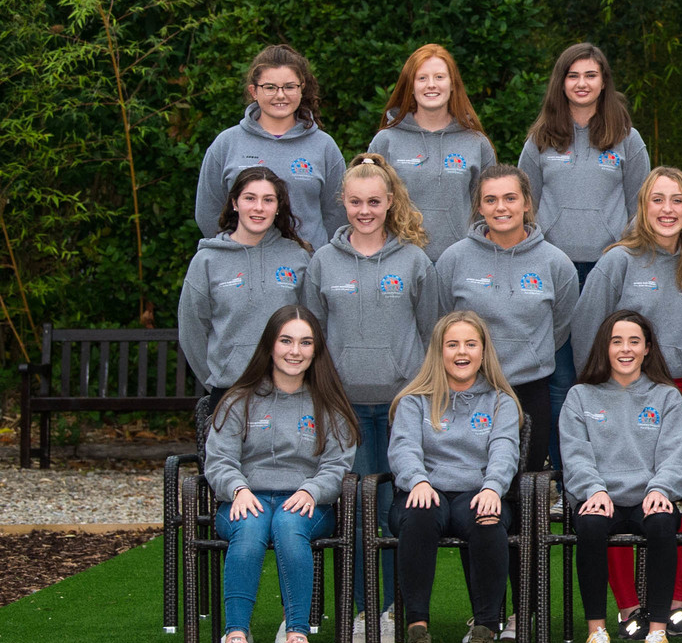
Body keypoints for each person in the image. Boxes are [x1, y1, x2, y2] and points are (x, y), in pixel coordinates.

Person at [572, 167, 682, 639]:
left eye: (678, 200)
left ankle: (673, 599)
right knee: (614, 486)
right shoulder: (619, 261)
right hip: (612, 392)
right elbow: (586, 331)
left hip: (672, 391)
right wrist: (595, 393)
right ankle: (629, 606)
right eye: (658, 199)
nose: (668, 209)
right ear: (643, 206)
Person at [302, 154, 441, 643]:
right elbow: (311, 339)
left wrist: (420, 395)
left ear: (389, 203)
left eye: (374, 202)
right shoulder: (322, 262)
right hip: (345, 409)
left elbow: (433, 335)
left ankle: (394, 609)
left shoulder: (413, 261)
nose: (364, 210)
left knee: (392, 510)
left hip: (402, 406)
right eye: (356, 201)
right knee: (357, 511)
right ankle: (364, 610)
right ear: (342, 202)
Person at [204, 306, 358, 643]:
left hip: (306, 501)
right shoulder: (238, 399)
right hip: (245, 499)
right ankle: (236, 640)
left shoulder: (329, 404)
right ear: (270, 347)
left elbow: (338, 465)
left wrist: (313, 489)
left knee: (289, 525)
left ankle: (298, 640)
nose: (295, 350)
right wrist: (237, 489)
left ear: (316, 350)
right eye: (286, 340)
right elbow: (218, 461)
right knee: (253, 527)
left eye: (305, 342)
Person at [518, 43, 648, 476]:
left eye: (591, 75)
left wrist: (621, 250)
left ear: (603, 82)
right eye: (573, 76)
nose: (582, 83)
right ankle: (562, 475)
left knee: (604, 370)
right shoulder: (540, 139)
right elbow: (525, 207)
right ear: (561, 83)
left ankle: (611, 469)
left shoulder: (627, 138)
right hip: (552, 272)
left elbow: (641, 207)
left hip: (607, 269)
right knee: (558, 377)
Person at [386, 311, 523, 643]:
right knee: (418, 516)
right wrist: (418, 480)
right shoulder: (414, 399)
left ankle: (484, 630)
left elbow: (505, 449)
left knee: (488, 519)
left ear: (482, 351)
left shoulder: (500, 401)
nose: (461, 352)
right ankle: (417, 631)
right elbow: (403, 448)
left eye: (470, 344)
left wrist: (494, 487)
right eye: (452, 344)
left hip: (478, 492)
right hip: (424, 490)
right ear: (439, 351)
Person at [558, 311, 682, 643]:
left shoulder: (666, 397)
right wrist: (593, 490)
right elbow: (574, 454)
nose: (625, 349)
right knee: (588, 525)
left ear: (647, 349)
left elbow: (676, 454)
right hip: (599, 496)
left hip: (649, 495)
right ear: (604, 347)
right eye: (616, 341)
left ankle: (657, 634)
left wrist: (662, 488)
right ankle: (597, 633)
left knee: (664, 522)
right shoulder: (580, 396)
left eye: (634, 341)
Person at [434, 165, 579, 485]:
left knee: (522, 488)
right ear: (479, 207)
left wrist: (527, 351)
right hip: (468, 391)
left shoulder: (556, 264)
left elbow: (560, 325)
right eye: (491, 199)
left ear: (527, 203)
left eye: (510, 198)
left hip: (529, 392)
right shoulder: (453, 260)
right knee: (469, 486)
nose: (501, 207)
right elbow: (442, 320)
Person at [195, 44, 346, 249]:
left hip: (307, 272)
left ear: (302, 89)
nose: (280, 95)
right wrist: (231, 253)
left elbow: (337, 214)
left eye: (289, 87)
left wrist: (316, 256)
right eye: (270, 87)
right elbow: (208, 211)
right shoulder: (226, 144)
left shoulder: (324, 146)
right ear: (254, 91)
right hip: (242, 268)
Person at [179, 168, 312, 401]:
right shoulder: (207, 260)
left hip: (289, 391)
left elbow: (314, 323)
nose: (258, 207)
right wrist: (215, 378)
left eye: (268, 200)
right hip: (229, 391)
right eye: (250, 198)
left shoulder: (298, 257)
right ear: (235, 203)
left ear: (278, 207)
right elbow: (192, 330)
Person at [367, 43, 496, 261]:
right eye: (422, 78)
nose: (431, 85)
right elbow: (367, 202)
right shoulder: (386, 140)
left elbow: (490, 208)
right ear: (411, 85)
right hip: (397, 260)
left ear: (453, 84)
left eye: (439, 77)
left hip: (461, 261)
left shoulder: (476, 143)